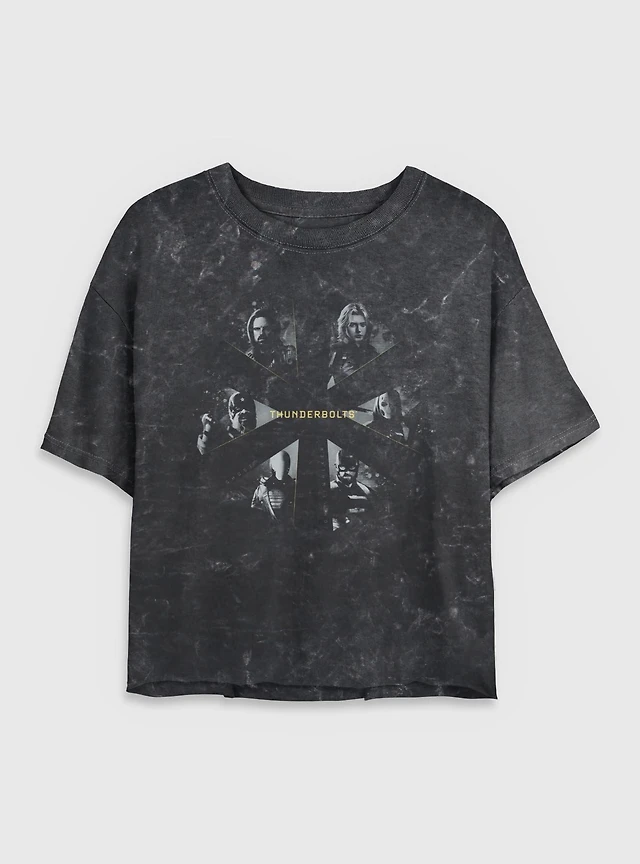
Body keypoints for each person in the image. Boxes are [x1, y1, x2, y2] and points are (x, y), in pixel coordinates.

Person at [328, 302, 378, 386]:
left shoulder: (371, 352)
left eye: (362, 325)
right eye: (353, 325)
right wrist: (341, 376)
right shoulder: (335, 351)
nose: (359, 330)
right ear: (344, 326)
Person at [329, 449, 374, 530]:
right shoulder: (328, 491)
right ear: (336, 467)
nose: (347, 472)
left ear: (357, 468)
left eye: (351, 467)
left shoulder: (366, 492)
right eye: (343, 467)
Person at [245, 307, 295, 374]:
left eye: (267, 329)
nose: (261, 333)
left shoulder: (286, 355)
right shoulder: (248, 356)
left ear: (274, 331)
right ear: (251, 332)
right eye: (257, 329)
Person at [251, 451, 295, 522]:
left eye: (287, 464)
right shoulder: (263, 487)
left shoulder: (293, 486)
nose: (284, 467)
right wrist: (265, 512)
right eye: (280, 464)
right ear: (274, 467)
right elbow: (254, 505)